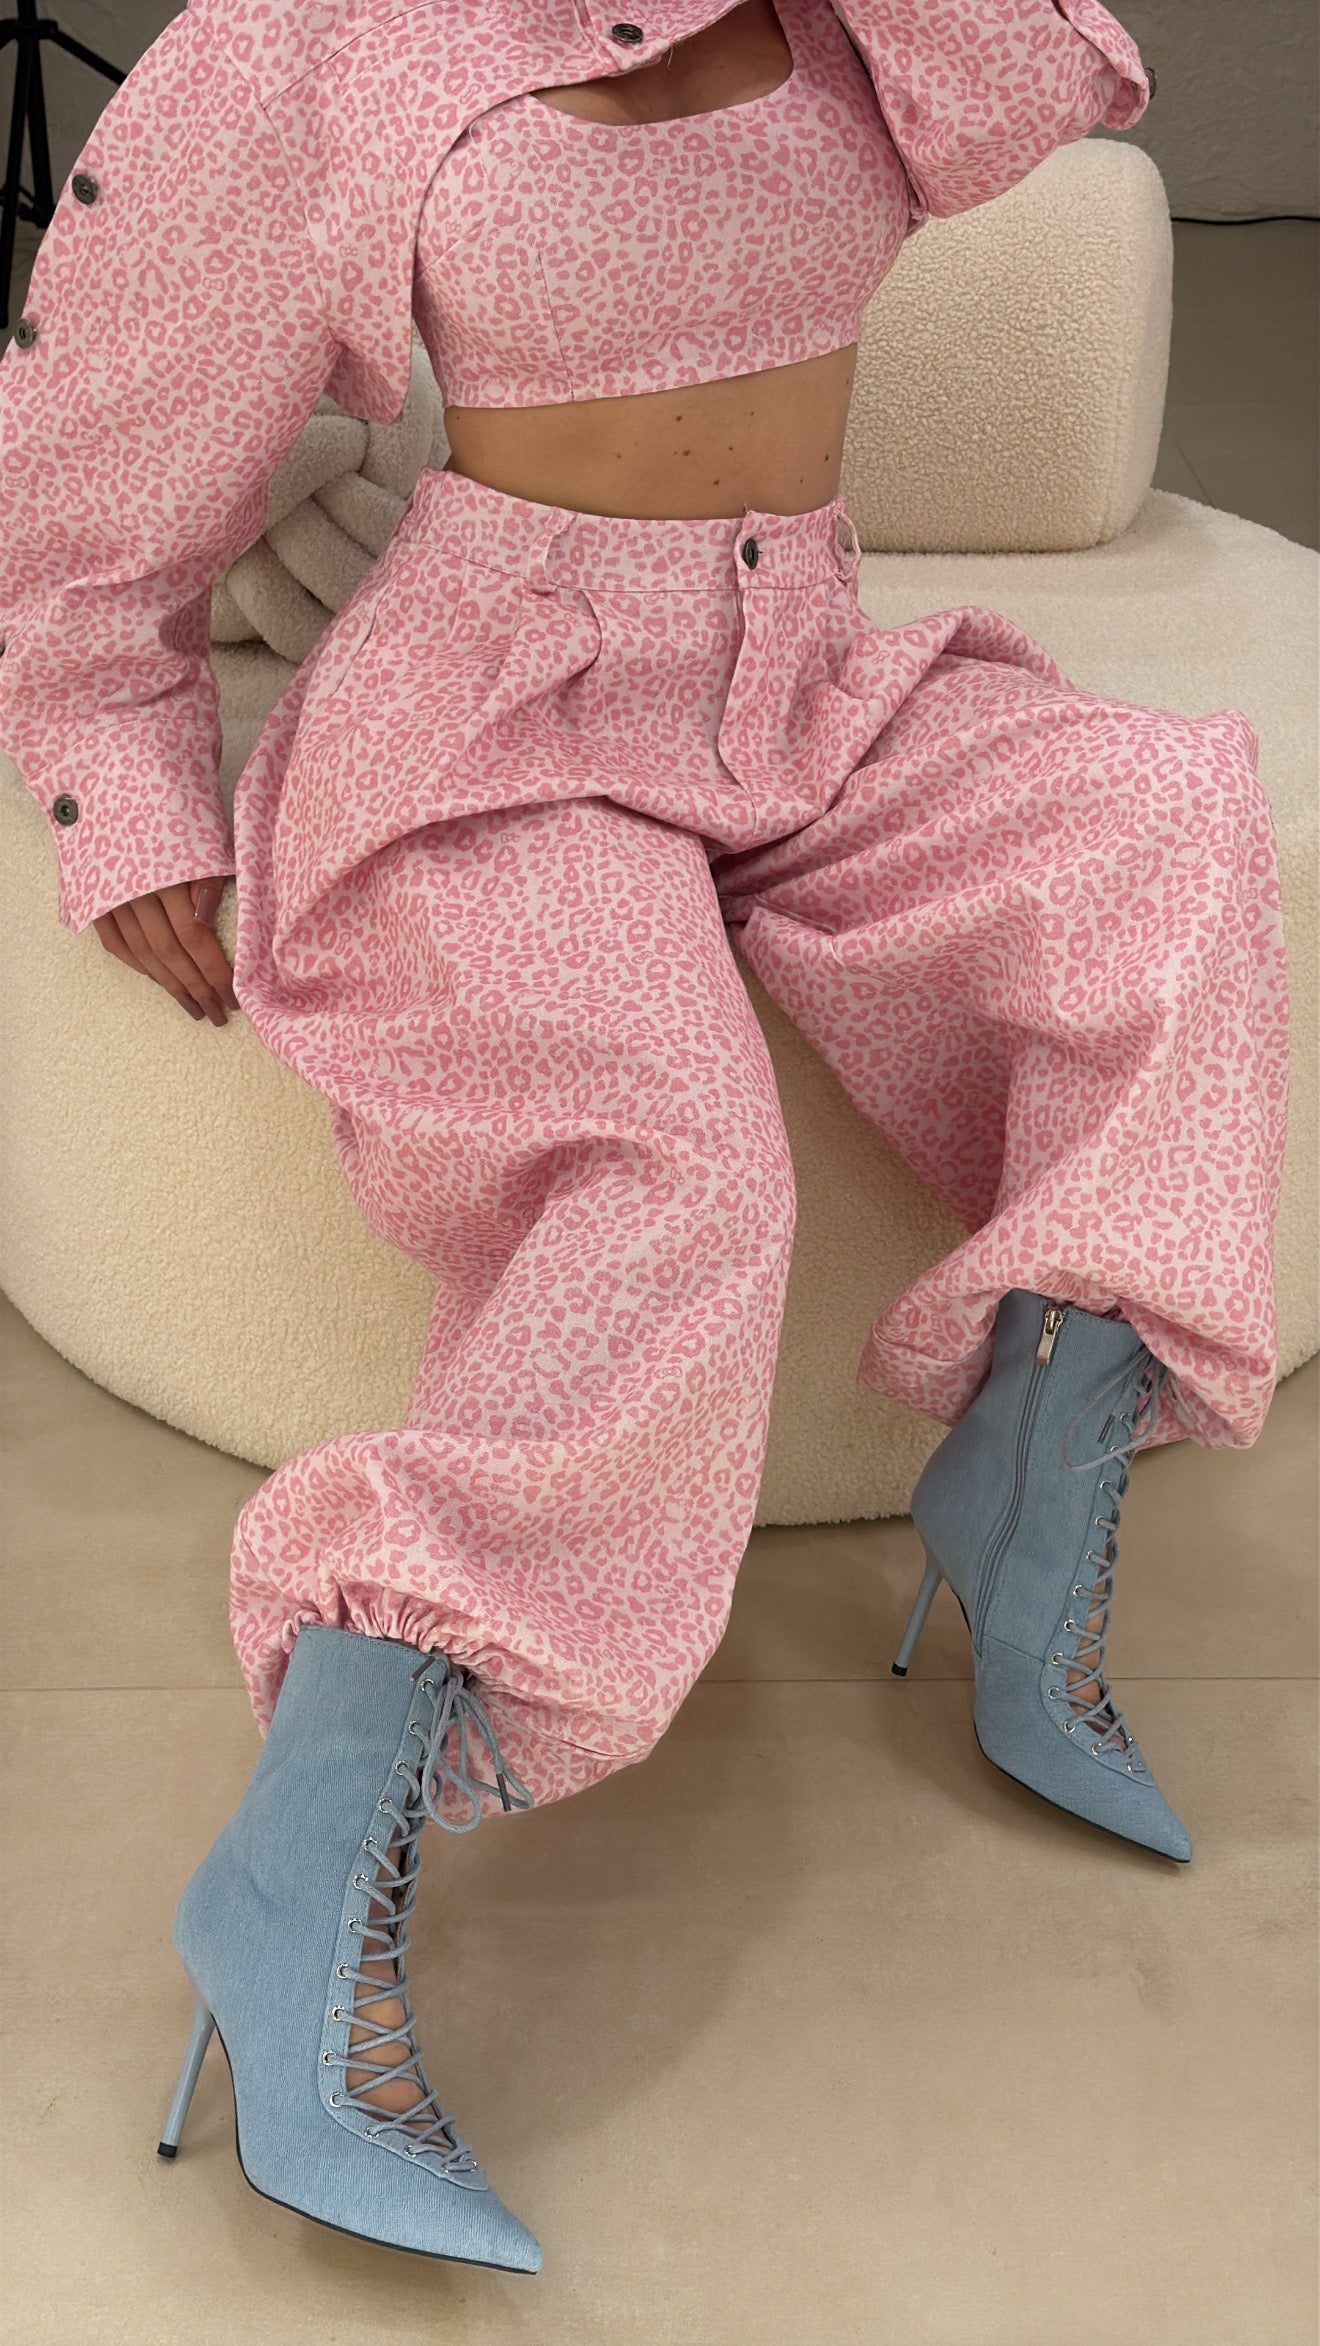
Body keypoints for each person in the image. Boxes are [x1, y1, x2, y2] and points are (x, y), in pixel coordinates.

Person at [0, 0, 1288, 2275]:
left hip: (800, 684)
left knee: (1159, 843)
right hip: (495, 726)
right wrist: (119, 771)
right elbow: (121, 407)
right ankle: (303, 1868)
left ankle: (1030, 1494)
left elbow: (1058, 74)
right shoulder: (333, 42)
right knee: (676, 1176)